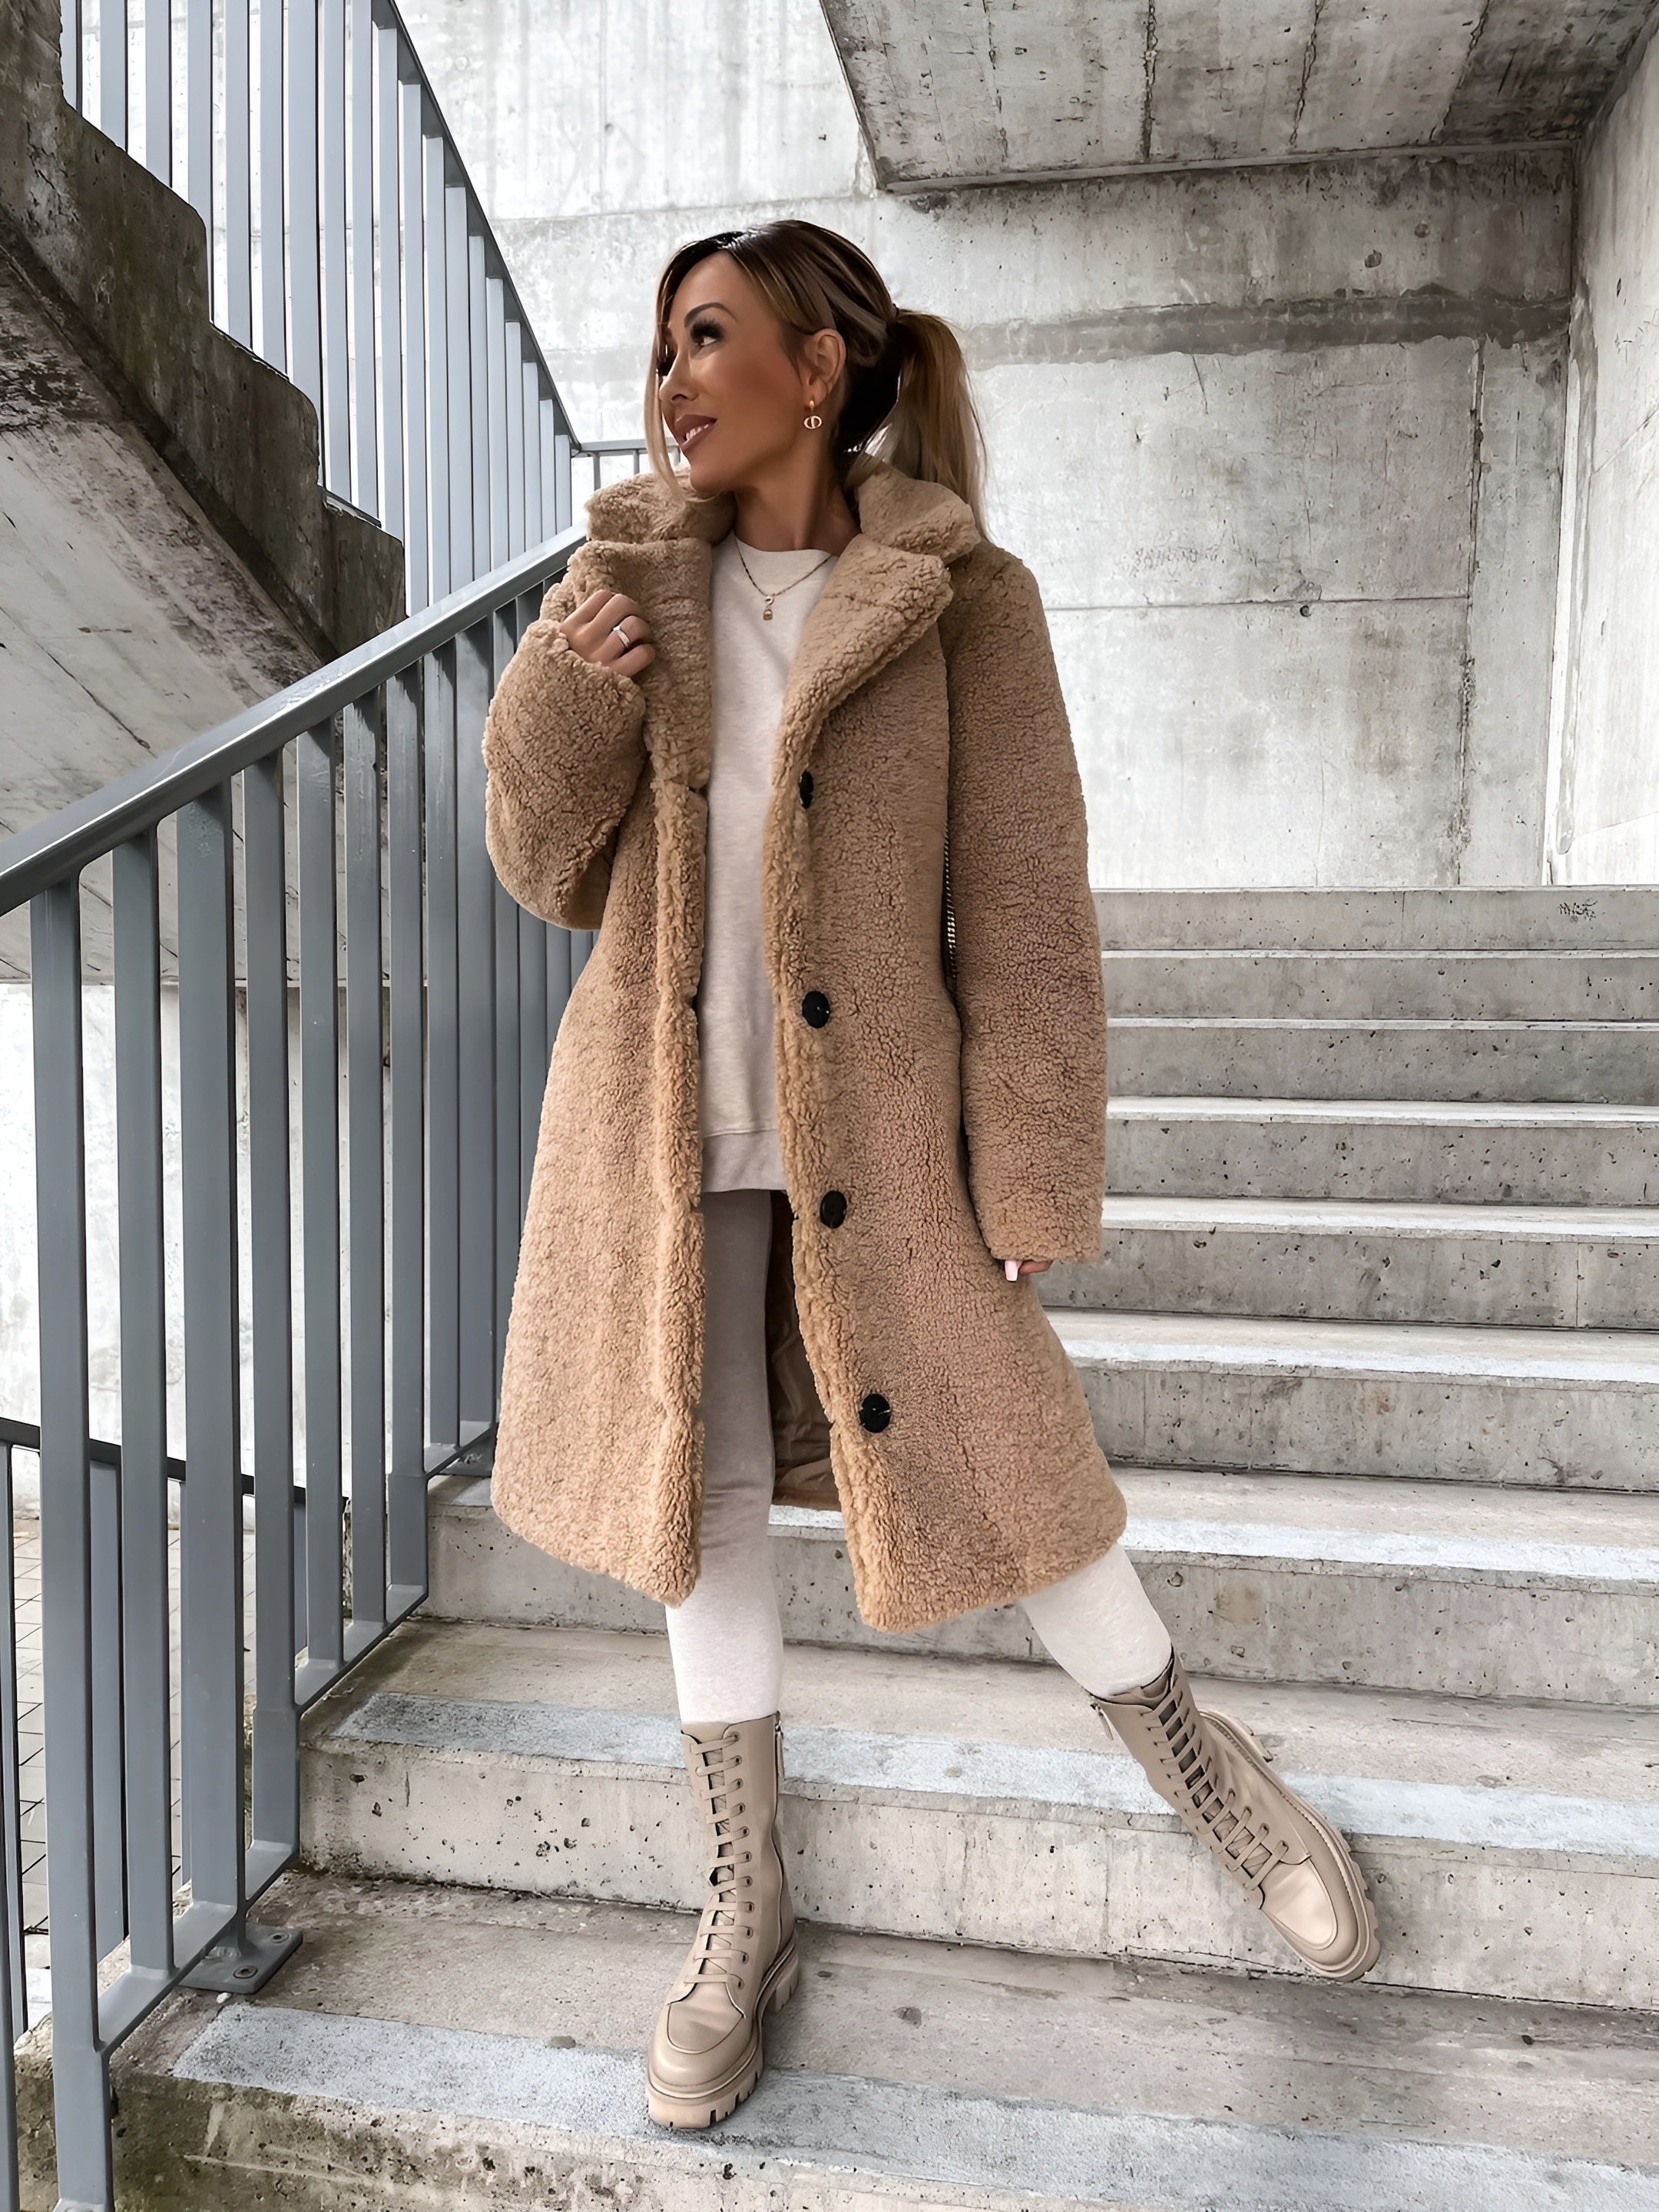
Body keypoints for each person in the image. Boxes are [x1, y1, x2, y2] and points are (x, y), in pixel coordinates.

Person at [481, 217, 1379, 2134]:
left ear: (818, 369)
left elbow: (1029, 913)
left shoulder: (967, 603)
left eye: (708, 335)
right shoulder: (620, 582)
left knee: (1020, 1466)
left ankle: (1205, 1773)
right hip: (659, 1135)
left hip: (882, 1141)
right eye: (663, 343)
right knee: (706, 1503)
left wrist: (1030, 1178)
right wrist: (565, 683)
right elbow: (542, 866)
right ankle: (747, 1901)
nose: (672, 377)